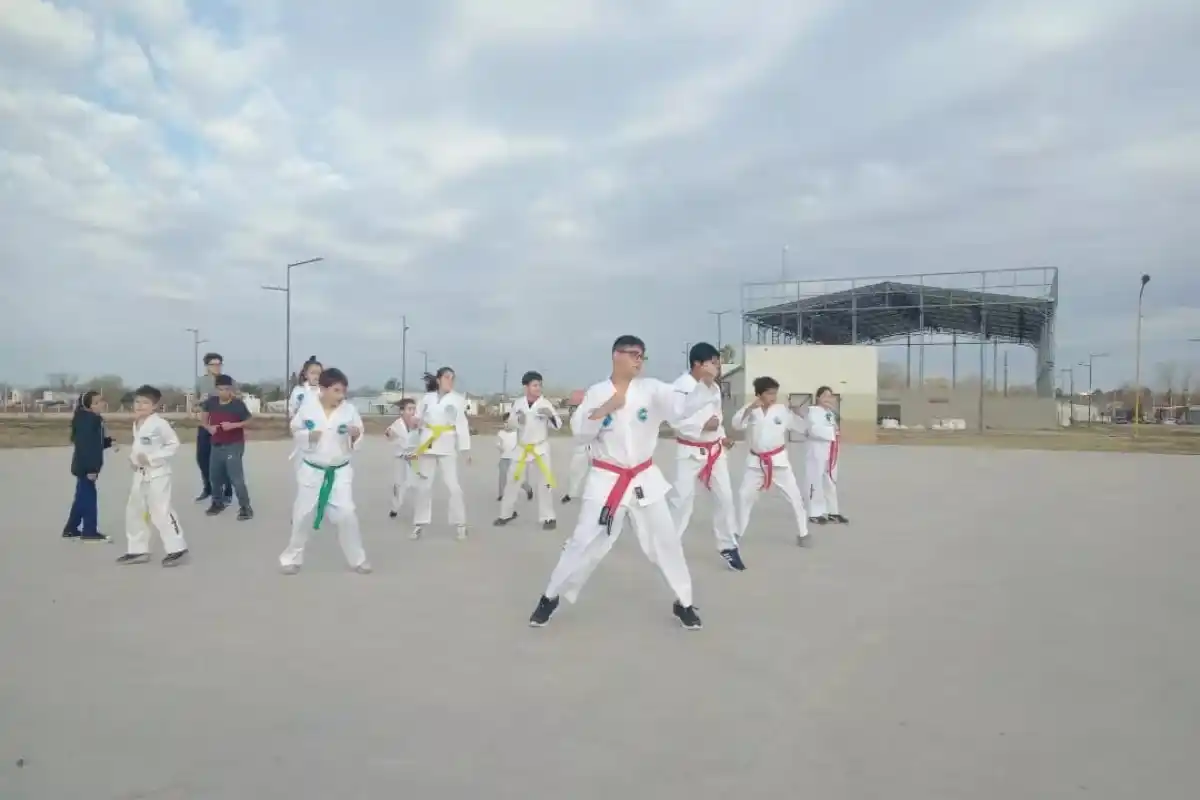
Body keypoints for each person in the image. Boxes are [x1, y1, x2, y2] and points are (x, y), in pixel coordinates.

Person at [527, 334, 712, 631]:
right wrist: (604, 410)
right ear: (617, 355)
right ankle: (550, 597)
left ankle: (684, 602)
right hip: (607, 479)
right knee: (582, 542)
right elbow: (580, 434)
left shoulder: (652, 390)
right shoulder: (597, 392)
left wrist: (704, 384)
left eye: (642, 355)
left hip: (644, 478)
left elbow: (682, 408)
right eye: (634, 354)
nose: (639, 360)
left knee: (666, 541)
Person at [279, 367, 371, 574]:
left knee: (347, 513)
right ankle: (291, 557)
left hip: (339, 471)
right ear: (323, 389)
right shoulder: (308, 407)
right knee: (303, 515)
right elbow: (295, 428)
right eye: (336, 390)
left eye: (343, 391)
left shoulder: (349, 410)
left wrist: (355, 434)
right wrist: (307, 436)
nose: (341, 396)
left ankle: (358, 559)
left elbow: (359, 434)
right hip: (312, 469)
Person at [668, 342, 743, 570]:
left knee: (725, 498)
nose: (718, 366)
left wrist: (722, 436)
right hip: (689, 451)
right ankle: (669, 546)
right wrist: (702, 425)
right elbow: (675, 421)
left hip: (714, 450)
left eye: (718, 362)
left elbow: (717, 417)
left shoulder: (715, 388)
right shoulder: (680, 388)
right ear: (698, 364)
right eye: (713, 362)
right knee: (682, 500)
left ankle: (727, 546)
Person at [731, 376, 811, 546]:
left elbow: (803, 428)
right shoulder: (751, 409)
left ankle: (803, 534)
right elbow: (736, 425)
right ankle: (737, 532)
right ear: (759, 394)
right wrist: (749, 409)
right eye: (769, 393)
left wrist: (800, 414)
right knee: (744, 496)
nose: (773, 397)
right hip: (756, 462)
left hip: (779, 462)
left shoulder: (782, 410)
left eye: (775, 393)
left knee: (795, 497)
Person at [116, 385, 189, 566]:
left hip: (158, 474)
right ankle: (137, 550)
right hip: (140, 474)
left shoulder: (159, 424)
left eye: (145, 403)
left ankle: (177, 548)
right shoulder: (137, 423)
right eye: (137, 402)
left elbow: (173, 444)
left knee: (161, 510)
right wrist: (134, 460)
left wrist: (152, 458)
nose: (140, 406)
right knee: (135, 511)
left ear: (154, 406)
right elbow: (139, 447)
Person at [495, 370, 561, 530]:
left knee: (545, 483)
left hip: (540, 449)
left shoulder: (545, 404)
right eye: (535, 385)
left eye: (540, 385)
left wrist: (550, 416)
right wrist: (518, 420)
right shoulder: (518, 404)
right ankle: (506, 514)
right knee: (512, 481)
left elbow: (558, 425)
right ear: (526, 387)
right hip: (522, 448)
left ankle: (548, 518)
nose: (538, 388)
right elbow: (509, 425)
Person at [411, 366, 471, 541]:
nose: (450, 381)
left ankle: (460, 524)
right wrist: (415, 422)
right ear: (438, 380)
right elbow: (417, 418)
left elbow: (462, 425)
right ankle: (419, 523)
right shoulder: (427, 398)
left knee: (454, 487)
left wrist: (465, 450)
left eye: (452, 378)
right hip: (428, 443)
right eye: (446, 377)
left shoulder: (458, 400)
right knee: (424, 486)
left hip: (447, 445)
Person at [201, 374, 254, 520]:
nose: (224, 392)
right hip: (216, 444)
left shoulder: (238, 405)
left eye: (227, 389)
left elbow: (250, 421)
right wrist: (208, 427)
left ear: (231, 389)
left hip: (234, 445)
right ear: (216, 389)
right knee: (215, 477)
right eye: (221, 389)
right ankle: (217, 503)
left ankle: (246, 507)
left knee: (236, 478)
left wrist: (234, 425)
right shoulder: (211, 403)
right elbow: (203, 419)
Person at [64, 390, 114, 541]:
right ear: (90, 405)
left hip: (82, 465)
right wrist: (92, 469)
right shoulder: (90, 420)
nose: (102, 404)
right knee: (89, 499)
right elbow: (86, 447)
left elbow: (95, 443)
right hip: (86, 466)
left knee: (81, 497)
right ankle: (89, 531)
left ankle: (71, 529)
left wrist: (109, 442)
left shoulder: (88, 418)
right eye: (97, 402)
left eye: (102, 400)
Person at [805, 385, 848, 525]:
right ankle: (815, 513)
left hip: (830, 450)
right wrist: (831, 432)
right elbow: (812, 430)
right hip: (817, 450)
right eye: (824, 396)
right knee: (815, 480)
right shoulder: (812, 411)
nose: (827, 399)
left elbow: (834, 428)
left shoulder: (830, 413)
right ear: (818, 397)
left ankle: (832, 511)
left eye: (830, 396)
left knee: (830, 480)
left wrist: (835, 431)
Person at [385, 398, 420, 519]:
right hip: (400, 458)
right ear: (402, 411)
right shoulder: (397, 424)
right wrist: (389, 433)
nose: (412, 412)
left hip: (414, 458)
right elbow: (389, 433)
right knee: (399, 484)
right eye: (409, 409)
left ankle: (419, 509)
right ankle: (395, 507)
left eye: (414, 409)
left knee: (416, 483)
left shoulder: (418, 423)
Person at [496, 415, 533, 502]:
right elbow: (498, 443)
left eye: (507, 422)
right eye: (504, 422)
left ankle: (528, 489)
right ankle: (501, 494)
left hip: (515, 459)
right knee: (502, 475)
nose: (506, 424)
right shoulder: (501, 433)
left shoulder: (517, 432)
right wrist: (499, 447)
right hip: (504, 458)